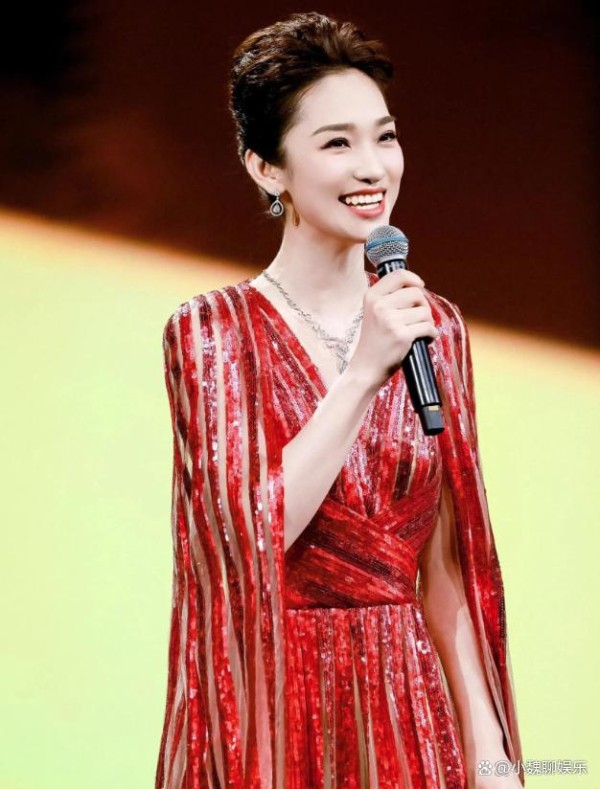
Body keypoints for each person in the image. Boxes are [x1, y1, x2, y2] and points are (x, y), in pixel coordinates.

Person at [155, 12, 524, 789]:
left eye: (384, 137)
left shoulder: (433, 325)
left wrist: (491, 755)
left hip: (411, 709)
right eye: (336, 143)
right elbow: (245, 534)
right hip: (277, 712)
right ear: (267, 168)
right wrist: (360, 375)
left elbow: (445, 567)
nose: (372, 167)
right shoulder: (211, 331)